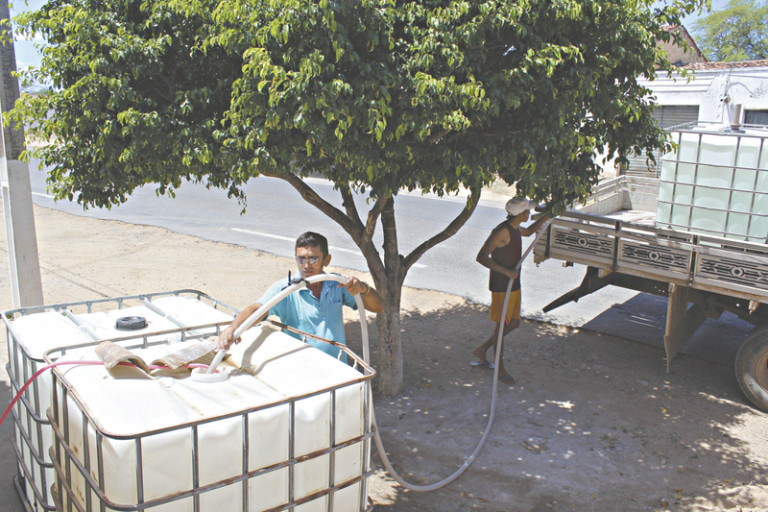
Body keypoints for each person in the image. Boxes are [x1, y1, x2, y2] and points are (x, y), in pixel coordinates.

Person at [217, 231, 384, 360]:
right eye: (301, 259)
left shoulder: (337, 284)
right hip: (302, 366)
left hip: (338, 367)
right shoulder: (286, 289)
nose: (306, 265)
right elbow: (257, 309)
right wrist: (233, 328)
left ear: (326, 260)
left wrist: (363, 288)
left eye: (313, 259)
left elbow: (378, 307)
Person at [472, 197, 549, 384]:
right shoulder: (501, 231)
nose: (529, 214)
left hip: (514, 284)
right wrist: (506, 271)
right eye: (527, 211)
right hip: (502, 286)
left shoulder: (514, 228)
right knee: (501, 327)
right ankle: (500, 369)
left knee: (513, 324)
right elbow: (481, 257)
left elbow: (530, 231)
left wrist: (548, 215)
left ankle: (482, 349)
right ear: (520, 213)